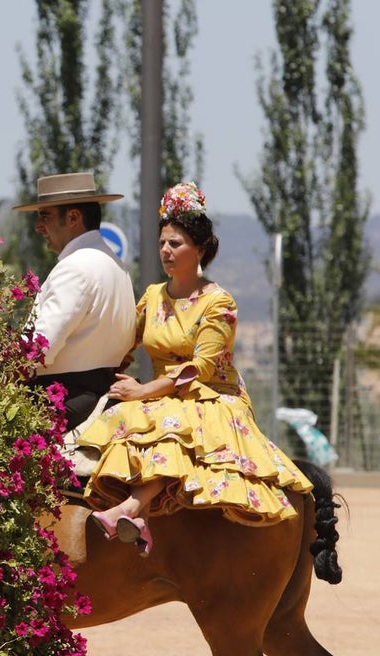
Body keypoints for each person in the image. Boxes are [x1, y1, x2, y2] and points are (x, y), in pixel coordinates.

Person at [78, 182, 312, 556]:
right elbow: (124, 346)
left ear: (201, 249)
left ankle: (132, 510)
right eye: (163, 243)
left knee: (172, 427)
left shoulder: (219, 303)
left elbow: (201, 367)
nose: (167, 251)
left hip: (210, 397)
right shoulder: (152, 297)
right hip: (158, 394)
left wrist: (142, 390)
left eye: (177, 243)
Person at [13, 172, 136, 430]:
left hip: (64, 400)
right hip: (98, 395)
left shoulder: (75, 267)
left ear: (73, 218)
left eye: (44, 215)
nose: (38, 226)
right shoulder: (116, 265)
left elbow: (40, 349)